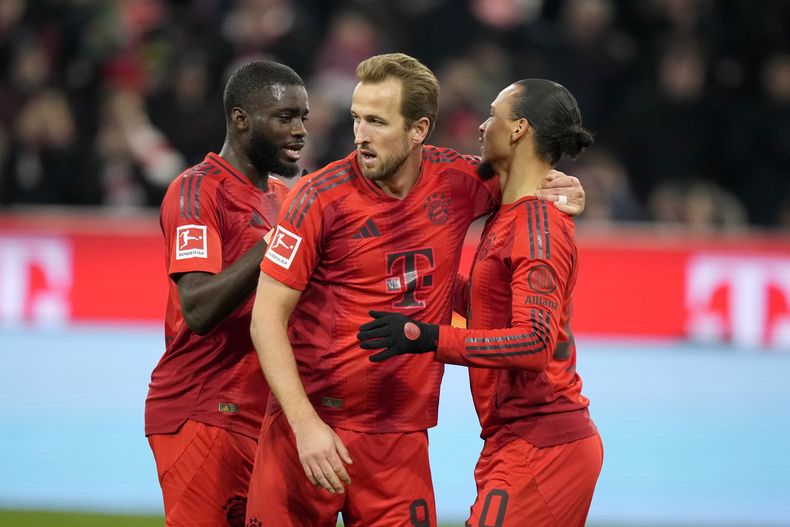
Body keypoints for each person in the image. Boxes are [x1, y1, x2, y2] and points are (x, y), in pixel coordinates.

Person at [246, 53, 586, 527]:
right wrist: (305, 427)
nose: (360, 134)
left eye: (377, 122)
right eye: (357, 119)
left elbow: (525, 178)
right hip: (310, 432)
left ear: (419, 129)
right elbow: (266, 318)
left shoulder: (462, 181)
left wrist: (566, 186)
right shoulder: (316, 198)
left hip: (400, 442)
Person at [358, 79, 602, 526]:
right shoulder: (512, 214)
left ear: (518, 130)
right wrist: (406, 273)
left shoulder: (537, 225)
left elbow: (533, 344)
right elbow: (489, 305)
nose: (482, 126)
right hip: (516, 438)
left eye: (493, 115)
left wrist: (426, 337)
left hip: (543, 444)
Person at [144, 60, 309, 527]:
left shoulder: (284, 199)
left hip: (263, 416)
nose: (299, 131)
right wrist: (275, 242)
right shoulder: (197, 192)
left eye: (304, 119)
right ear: (240, 119)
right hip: (204, 409)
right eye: (284, 118)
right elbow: (197, 307)